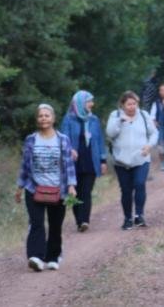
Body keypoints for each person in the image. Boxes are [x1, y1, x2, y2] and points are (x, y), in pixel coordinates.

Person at [15, 104, 77, 272]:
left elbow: (69, 164)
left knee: (55, 225)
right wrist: (20, 187)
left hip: (58, 189)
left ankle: (53, 256)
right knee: (36, 223)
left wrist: (71, 185)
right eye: (40, 116)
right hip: (34, 188)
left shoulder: (62, 139)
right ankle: (36, 257)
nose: (43, 118)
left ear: (53, 119)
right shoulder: (31, 139)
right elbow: (25, 166)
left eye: (47, 115)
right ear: (37, 119)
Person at [106, 91, 159, 230]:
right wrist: (120, 120)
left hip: (141, 158)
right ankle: (128, 218)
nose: (132, 107)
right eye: (129, 104)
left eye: (134, 103)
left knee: (140, 184)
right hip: (121, 161)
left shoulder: (143, 115)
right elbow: (110, 133)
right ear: (122, 105)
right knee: (126, 190)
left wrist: (149, 145)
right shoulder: (115, 115)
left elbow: (154, 133)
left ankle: (139, 215)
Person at [59, 90, 108, 233]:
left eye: (91, 101)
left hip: (90, 160)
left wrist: (103, 160)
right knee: (76, 192)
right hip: (73, 163)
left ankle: (84, 220)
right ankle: (79, 221)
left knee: (86, 191)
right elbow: (63, 139)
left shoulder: (94, 120)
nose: (92, 104)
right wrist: (69, 150)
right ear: (79, 103)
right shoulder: (68, 119)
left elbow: (99, 140)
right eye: (88, 101)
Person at [149, 83, 164, 172]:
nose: (163, 92)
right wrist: (155, 123)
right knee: (161, 147)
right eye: (161, 90)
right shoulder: (156, 103)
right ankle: (163, 163)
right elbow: (152, 117)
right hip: (161, 128)